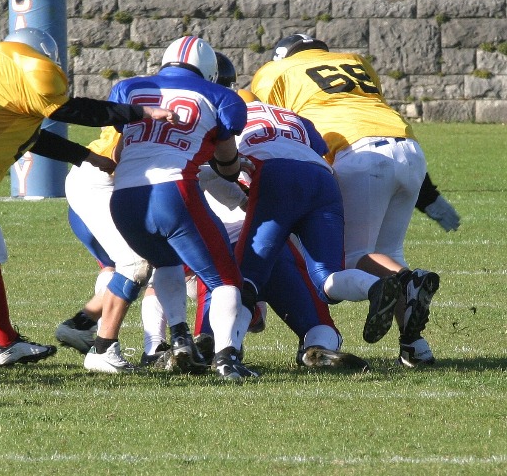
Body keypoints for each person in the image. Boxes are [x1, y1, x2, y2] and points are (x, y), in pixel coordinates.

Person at [0, 26, 179, 381]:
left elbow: (27, 134)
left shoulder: (0, 66)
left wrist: (86, 156)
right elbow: (75, 111)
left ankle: (6, 343)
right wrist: (139, 112)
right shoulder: (34, 67)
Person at [251, 33, 441, 367]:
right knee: (387, 254)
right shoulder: (355, 60)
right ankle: (415, 346)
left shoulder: (274, 72)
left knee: (353, 257)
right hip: (407, 146)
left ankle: (408, 281)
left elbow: (266, 120)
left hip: (356, 150)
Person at [85, 36, 258, 381]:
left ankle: (179, 338)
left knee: (166, 263)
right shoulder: (220, 96)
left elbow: (120, 151)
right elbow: (227, 164)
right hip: (173, 192)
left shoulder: (130, 88)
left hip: (124, 197)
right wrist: (233, 166)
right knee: (225, 278)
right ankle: (227, 359)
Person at [231, 90, 393, 353]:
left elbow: (220, 159)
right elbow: (318, 148)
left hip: (275, 175)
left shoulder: (230, 112)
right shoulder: (290, 115)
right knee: (326, 278)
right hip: (322, 178)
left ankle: (228, 351)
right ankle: (375, 286)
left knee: (246, 277)